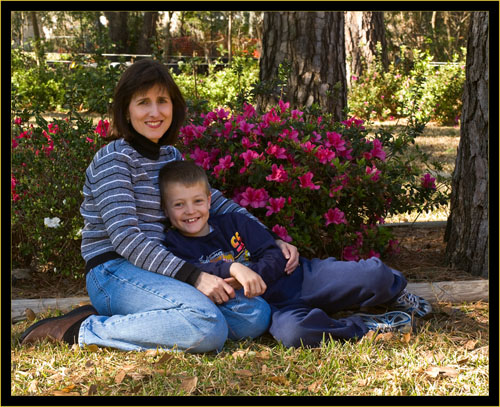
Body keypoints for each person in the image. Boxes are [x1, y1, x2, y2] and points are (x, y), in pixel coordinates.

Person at [19, 59, 300, 352]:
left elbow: (216, 203)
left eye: (162, 101)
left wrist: (272, 240)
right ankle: (81, 329)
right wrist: (196, 278)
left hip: (160, 268)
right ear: (126, 111)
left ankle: (150, 318)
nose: (155, 112)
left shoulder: (170, 156)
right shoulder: (113, 161)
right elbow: (126, 239)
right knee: (206, 326)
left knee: (254, 315)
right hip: (114, 270)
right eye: (143, 102)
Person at [158, 160, 433, 348]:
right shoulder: (173, 246)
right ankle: (366, 326)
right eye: (179, 205)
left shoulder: (234, 222)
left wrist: (251, 274)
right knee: (294, 334)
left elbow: (272, 253)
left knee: (374, 274)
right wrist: (233, 270)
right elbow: (192, 271)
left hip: (300, 277)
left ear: (208, 200)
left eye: (196, 201)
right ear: (166, 210)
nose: (190, 211)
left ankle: (396, 291)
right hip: (274, 309)